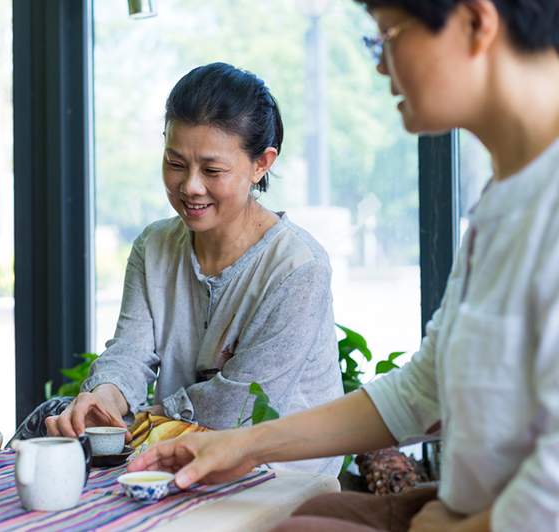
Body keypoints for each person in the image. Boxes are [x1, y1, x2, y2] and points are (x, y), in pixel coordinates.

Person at [129, 0, 559, 530]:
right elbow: (425, 389)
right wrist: (242, 444)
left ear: (475, 23)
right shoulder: (508, 196)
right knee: (315, 513)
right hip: (461, 503)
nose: (381, 65)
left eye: (387, 37)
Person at [43, 62, 344, 475]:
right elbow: (130, 353)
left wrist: (144, 418)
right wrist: (106, 396)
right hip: (177, 454)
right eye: (176, 163)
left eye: (213, 170)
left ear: (262, 164)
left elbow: (238, 408)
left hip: (278, 476)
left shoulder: (298, 268)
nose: (190, 187)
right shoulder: (155, 246)